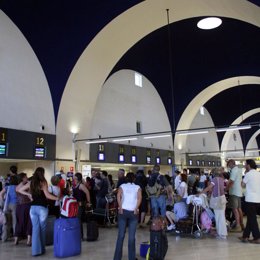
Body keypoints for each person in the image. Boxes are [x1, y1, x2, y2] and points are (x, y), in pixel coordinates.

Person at [17, 167, 58, 256]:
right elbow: (47, 195)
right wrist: (58, 198)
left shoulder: (31, 183)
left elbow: (19, 190)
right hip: (42, 208)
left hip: (33, 208)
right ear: (42, 173)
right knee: (42, 229)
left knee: (35, 229)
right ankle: (42, 249)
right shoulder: (43, 182)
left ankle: (35, 251)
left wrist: (29, 195)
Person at [113, 172, 142, 260]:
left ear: (126, 179)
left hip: (123, 212)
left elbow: (118, 196)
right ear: (134, 179)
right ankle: (132, 258)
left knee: (121, 235)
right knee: (131, 237)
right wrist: (136, 208)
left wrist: (120, 207)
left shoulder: (122, 186)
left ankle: (117, 258)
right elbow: (139, 198)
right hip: (133, 213)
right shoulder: (138, 187)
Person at [202, 168, 227, 240]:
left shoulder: (215, 179)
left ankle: (222, 234)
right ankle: (222, 233)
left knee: (219, 217)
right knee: (221, 216)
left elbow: (209, 187)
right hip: (222, 199)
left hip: (217, 201)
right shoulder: (222, 179)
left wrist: (201, 192)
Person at [239, 159, 260, 243]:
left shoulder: (248, 174)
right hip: (258, 199)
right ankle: (245, 236)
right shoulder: (258, 174)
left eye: (245, 164)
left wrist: (242, 179)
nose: (244, 166)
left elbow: (242, 185)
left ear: (249, 165)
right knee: (251, 218)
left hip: (250, 199)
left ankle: (257, 238)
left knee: (252, 219)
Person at [14, 172, 32, 245]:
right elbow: (30, 196)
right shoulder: (26, 186)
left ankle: (16, 240)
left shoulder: (17, 187)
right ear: (22, 178)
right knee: (29, 222)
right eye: (25, 177)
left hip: (19, 206)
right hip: (27, 205)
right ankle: (28, 241)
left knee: (18, 222)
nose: (27, 178)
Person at [226, 159, 244, 232]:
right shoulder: (239, 169)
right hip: (239, 192)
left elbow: (231, 182)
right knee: (239, 209)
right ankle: (241, 224)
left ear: (231, 164)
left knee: (234, 209)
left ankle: (238, 226)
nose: (228, 166)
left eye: (228, 165)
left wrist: (226, 189)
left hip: (234, 192)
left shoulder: (233, 170)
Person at [72, 172, 91, 238]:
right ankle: (79, 235)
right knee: (77, 219)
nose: (74, 179)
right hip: (76, 204)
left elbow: (87, 192)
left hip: (80, 204)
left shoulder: (81, 185)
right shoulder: (76, 185)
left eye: (75, 178)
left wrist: (88, 202)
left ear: (78, 179)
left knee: (78, 220)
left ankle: (80, 235)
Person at [0, 175, 18, 242]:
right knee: (14, 222)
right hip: (15, 204)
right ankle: (15, 238)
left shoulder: (7, 187)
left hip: (6, 205)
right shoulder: (17, 187)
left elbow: (1, 193)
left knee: (6, 222)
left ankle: (4, 238)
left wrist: (3, 201)